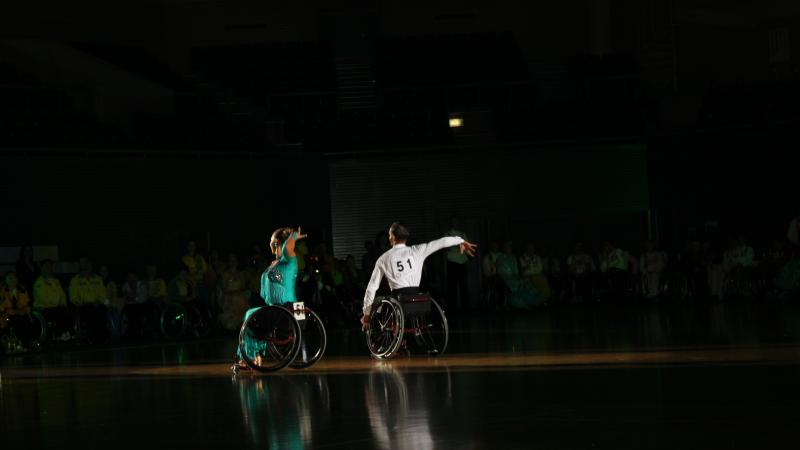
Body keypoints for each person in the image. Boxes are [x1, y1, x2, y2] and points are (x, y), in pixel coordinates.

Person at [360, 222, 477, 330]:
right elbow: (442, 242)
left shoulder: (383, 258)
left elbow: (372, 287)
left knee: (377, 305)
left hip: (398, 302)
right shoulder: (417, 250)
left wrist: (366, 313)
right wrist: (460, 240)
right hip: (419, 300)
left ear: (391, 237)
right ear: (406, 237)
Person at [234, 227, 307, 370]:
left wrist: (292, 236)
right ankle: (254, 356)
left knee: (251, 315)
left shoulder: (288, 259)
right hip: (277, 309)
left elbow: (287, 248)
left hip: (289, 308)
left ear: (278, 242)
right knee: (252, 313)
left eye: (272, 242)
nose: (270, 245)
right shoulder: (277, 263)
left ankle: (250, 357)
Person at [33, 259, 71, 340]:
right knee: (59, 312)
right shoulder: (38, 283)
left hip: (55, 307)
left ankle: (64, 334)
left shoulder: (56, 281)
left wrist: (63, 303)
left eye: (50, 267)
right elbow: (43, 298)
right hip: (43, 309)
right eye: (46, 267)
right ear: (42, 268)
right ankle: (60, 335)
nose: (48, 269)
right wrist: (56, 304)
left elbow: (62, 294)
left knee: (65, 309)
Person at [445, 217, 470, 312]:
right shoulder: (447, 234)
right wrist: (458, 246)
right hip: (452, 263)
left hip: (462, 262)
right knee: (452, 286)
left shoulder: (463, 234)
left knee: (464, 286)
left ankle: (465, 308)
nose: (455, 223)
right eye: (453, 221)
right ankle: (452, 309)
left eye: (457, 221)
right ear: (451, 223)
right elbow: (446, 248)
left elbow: (467, 248)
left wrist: (463, 247)